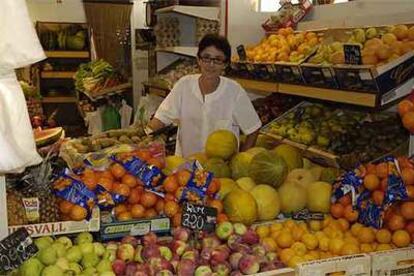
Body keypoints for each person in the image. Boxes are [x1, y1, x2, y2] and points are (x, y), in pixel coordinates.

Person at [148, 34, 262, 158]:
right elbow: (161, 118)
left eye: (218, 60)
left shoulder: (234, 92)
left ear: (225, 64)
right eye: (206, 58)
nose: (211, 65)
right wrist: (143, 137)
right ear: (199, 60)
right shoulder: (184, 85)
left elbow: (253, 128)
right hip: (186, 168)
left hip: (220, 171)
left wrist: (242, 160)